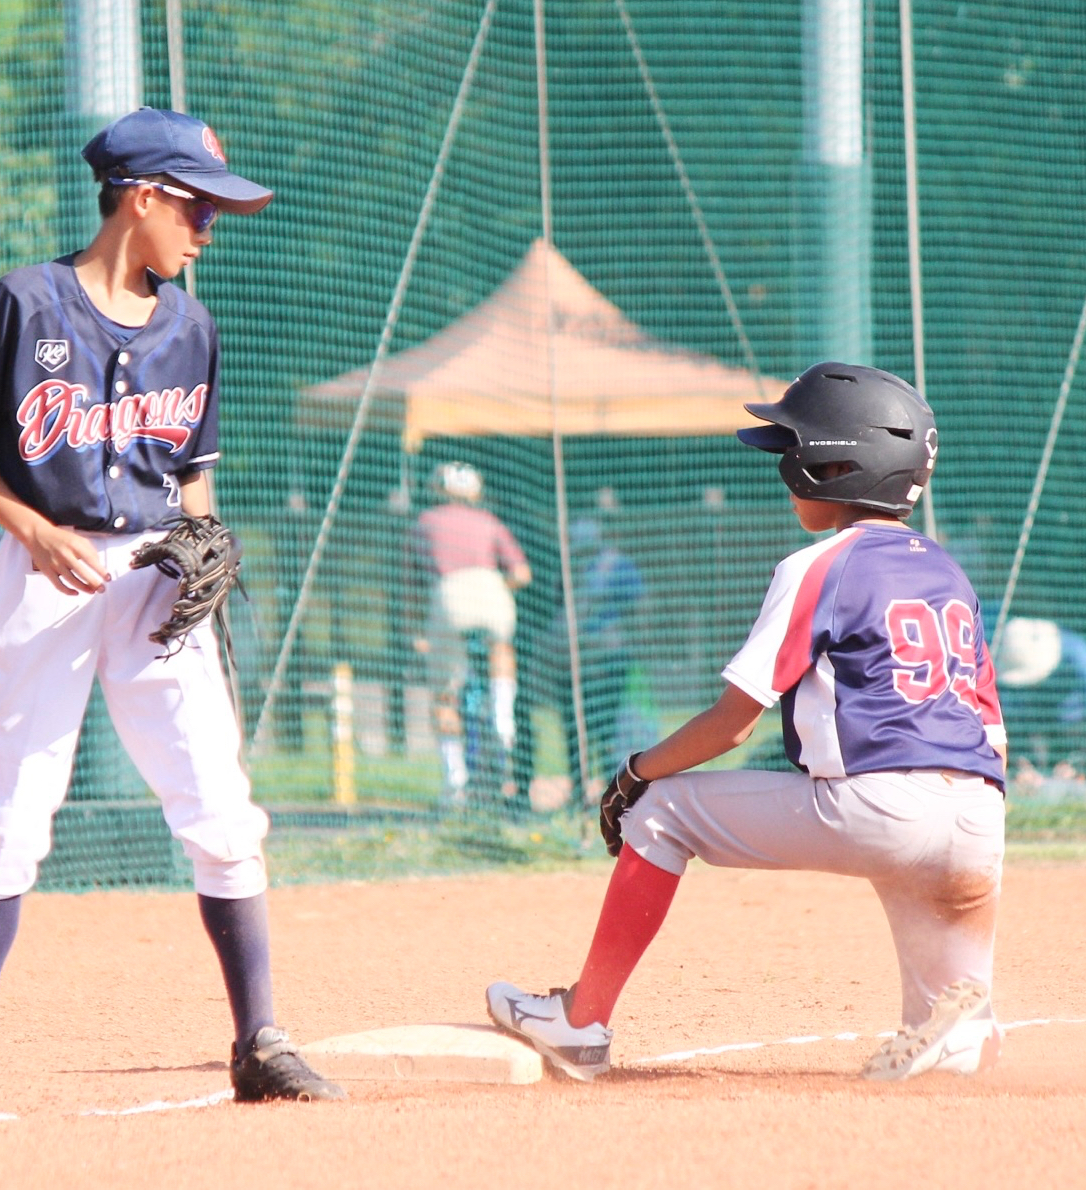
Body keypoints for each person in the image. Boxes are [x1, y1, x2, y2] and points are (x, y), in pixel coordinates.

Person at [0, 107, 341, 1122]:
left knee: (220, 805)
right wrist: (29, 528)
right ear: (141, 198)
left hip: (152, 577)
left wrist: (206, 553)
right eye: (196, 207)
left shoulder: (192, 326)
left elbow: (194, 477)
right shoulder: (27, 303)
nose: (207, 229)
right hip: (46, 570)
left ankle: (260, 1038)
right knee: (13, 805)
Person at [486, 362, 1009, 1083]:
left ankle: (579, 1024)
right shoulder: (947, 571)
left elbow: (735, 721)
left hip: (881, 808)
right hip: (981, 817)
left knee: (665, 812)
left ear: (831, 465)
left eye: (794, 449)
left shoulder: (818, 565)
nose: (782, 464)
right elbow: (989, 726)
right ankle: (957, 1033)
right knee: (935, 989)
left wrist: (636, 773)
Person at [408, 461, 532, 802]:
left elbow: (412, 583)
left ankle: (455, 782)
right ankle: (502, 718)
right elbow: (522, 573)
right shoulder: (488, 521)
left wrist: (416, 629)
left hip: (449, 598)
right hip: (492, 592)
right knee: (501, 651)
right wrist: (497, 584)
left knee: (444, 692)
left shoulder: (425, 522)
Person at [554, 514, 646, 800]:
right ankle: (579, 791)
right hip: (575, 658)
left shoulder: (616, 565)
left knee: (606, 729)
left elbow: (640, 606)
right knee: (575, 727)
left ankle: (611, 791)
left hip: (608, 656)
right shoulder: (569, 570)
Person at [995, 615, 1086, 810]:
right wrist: (1020, 762)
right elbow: (1005, 717)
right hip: (1030, 724)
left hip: (1075, 724)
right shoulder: (1006, 654)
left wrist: (1074, 761)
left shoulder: (1078, 653)